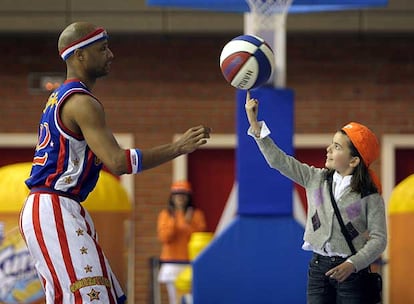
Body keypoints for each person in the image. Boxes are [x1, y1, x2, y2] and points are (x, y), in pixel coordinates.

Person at [19, 21, 211, 304]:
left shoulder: (59, 98)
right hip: (53, 207)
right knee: (91, 297)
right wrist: (178, 146)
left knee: (99, 295)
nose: (111, 54)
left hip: (55, 206)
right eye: (103, 48)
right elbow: (119, 162)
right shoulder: (82, 102)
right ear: (79, 55)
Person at [244, 92, 387, 304]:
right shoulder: (315, 178)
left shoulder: (370, 195)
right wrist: (255, 125)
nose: (328, 149)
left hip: (352, 272)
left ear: (354, 160)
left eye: (337, 147)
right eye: (332, 143)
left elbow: (379, 239)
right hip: (318, 269)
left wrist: (353, 264)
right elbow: (279, 161)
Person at [157, 180, 207, 304]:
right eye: (177, 194)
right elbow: (165, 237)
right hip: (172, 264)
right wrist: (176, 220)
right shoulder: (166, 215)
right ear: (172, 197)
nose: (180, 198)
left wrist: (187, 223)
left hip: (191, 264)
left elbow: (199, 237)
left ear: (188, 197)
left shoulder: (197, 215)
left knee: (192, 299)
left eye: (183, 194)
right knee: (175, 300)